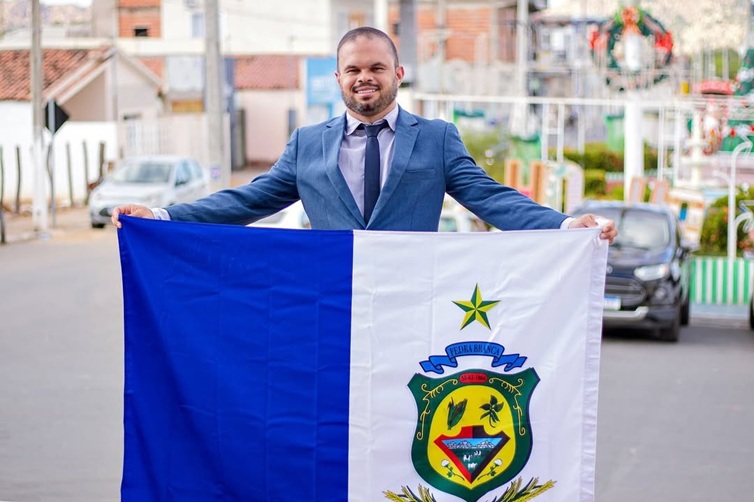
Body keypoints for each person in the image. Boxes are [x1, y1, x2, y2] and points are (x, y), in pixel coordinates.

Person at [112, 26, 617, 243]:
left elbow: (492, 199)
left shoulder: (438, 138)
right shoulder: (307, 143)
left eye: (377, 67)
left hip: (413, 303)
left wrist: (564, 226)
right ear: (339, 78)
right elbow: (247, 201)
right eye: (353, 69)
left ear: (398, 74)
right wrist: (162, 216)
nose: (365, 78)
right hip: (333, 301)